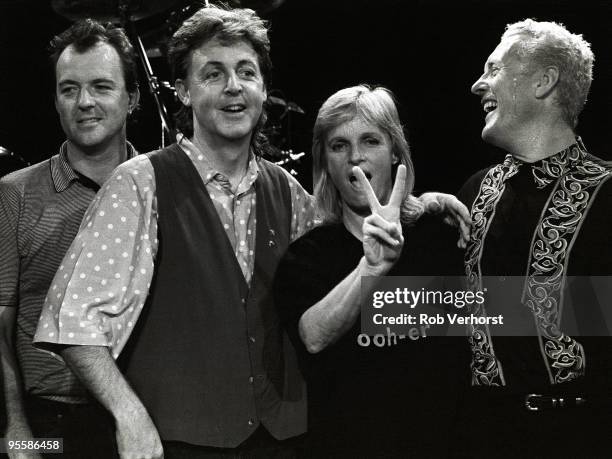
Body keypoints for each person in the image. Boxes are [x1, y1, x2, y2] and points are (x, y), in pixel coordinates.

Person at [33, 6, 469, 458]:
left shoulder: (288, 192)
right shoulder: (139, 183)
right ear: (182, 91)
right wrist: (129, 414)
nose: (233, 87)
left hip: (282, 441)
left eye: (246, 72)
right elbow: (74, 327)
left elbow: (357, 226)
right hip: (177, 442)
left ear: (263, 87)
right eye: (213, 74)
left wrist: (425, 203)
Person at [274, 85, 470, 458]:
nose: (356, 158)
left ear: (395, 151)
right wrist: (372, 268)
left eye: (371, 141)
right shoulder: (306, 257)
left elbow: (498, 319)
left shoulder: (441, 237)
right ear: (325, 162)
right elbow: (312, 337)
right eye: (339, 146)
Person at [456, 19, 612, 457]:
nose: (477, 85)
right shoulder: (472, 193)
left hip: (585, 435)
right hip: (481, 436)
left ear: (543, 81)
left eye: (494, 69)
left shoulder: (607, 191)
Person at [0, 19, 139, 458]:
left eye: (101, 86)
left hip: (147, 418)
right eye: (69, 89)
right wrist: (17, 431)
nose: (84, 102)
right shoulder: (13, 194)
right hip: (48, 427)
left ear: (132, 98)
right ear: (55, 101)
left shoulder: (163, 188)